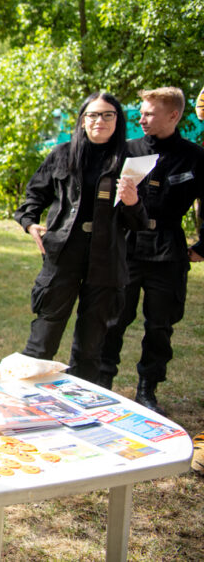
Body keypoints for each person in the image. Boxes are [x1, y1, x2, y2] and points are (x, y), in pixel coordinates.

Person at [14, 92, 147, 384]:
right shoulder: (62, 153)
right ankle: (25, 397)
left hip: (107, 258)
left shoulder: (131, 162)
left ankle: (80, 402)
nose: (100, 120)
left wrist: (133, 201)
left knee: (91, 341)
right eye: (93, 115)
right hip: (63, 252)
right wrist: (29, 224)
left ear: (118, 120)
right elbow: (34, 195)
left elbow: (139, 222)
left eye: (108, 115)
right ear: (83, 120)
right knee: (44, 333)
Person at [99, 87, 204, 415]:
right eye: (140, 113)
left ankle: (148, 388)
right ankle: (102, 383)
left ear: (174, 116)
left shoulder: (194, 157)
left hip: (168, 250)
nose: (141, 119)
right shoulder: (127, 150)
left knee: (160, 325)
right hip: (127, 247)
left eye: (149, 114)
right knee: (113, 319)